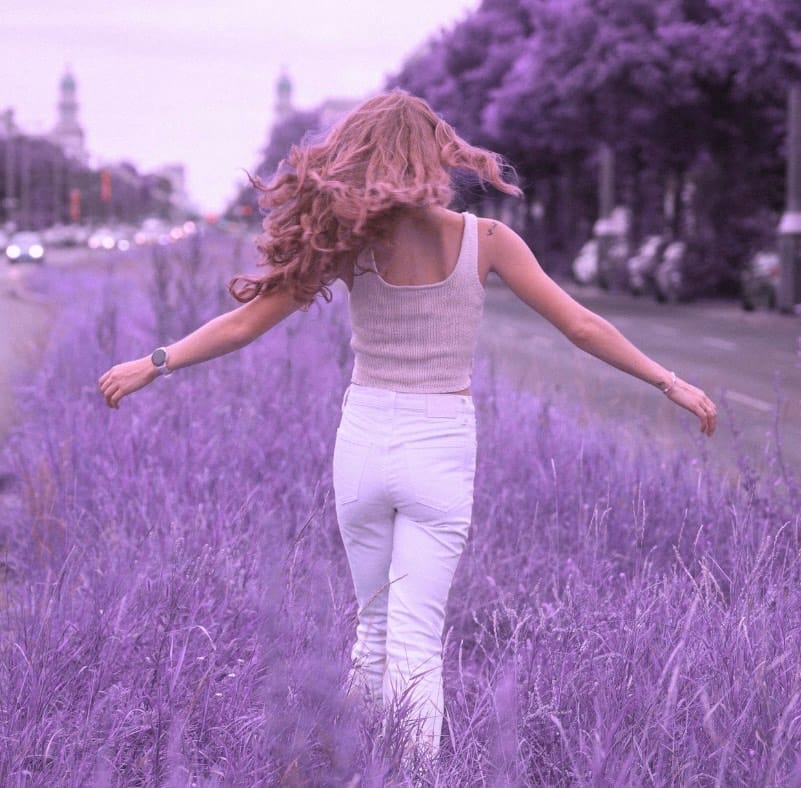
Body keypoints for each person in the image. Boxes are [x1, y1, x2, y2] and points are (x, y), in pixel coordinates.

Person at [97, 91, 717, 761]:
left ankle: (350, 767)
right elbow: (581, 325)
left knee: (372, 632)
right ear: (436, 152)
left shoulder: (350, 242)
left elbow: (245, 324)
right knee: (417, 643)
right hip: (439, 444)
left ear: (361, 154)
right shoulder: (487, 239)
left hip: (364, 440)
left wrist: (155, 362)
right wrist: (667, 380)